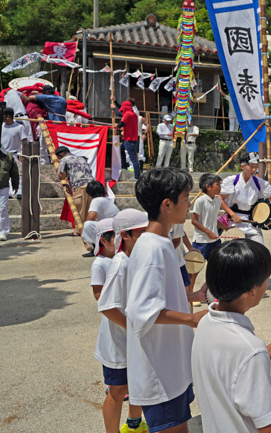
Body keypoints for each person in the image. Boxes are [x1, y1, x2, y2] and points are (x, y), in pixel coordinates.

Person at [191, 239, 271, 432]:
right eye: (266, 279)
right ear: (252, 290)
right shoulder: (250, 348)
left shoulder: (205, 324)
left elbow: (233, 370)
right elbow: (269, 429)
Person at [126, 168, 208, 433]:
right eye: (185, 198)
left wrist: (193, 297)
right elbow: (142, 312)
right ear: (167, 204)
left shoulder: (159, 243)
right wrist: (192, 318)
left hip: (171, 366)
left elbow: (159, 297)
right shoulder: (152, 249)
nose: (189, 204)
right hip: (160, 373)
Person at [90, 216, 147, 433]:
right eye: (142, 232)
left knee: (137, 384)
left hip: (133, 339)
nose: (147, 236)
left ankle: (134, 425)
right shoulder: (119, 264)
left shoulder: (136, 258)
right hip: (119, 341)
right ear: (126, 235)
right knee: (117, 390)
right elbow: (105, 305)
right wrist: (133, 327)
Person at [220, 152, 271, 244]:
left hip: (253, 223)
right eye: (251, 166)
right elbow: (220, 198)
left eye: (256, 167)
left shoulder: (259, 182)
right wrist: (232, 214)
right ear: (242, 166)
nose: (254, 169)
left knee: (260, 252)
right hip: (234, 223)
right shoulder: (232, 181)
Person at [190, 174, 222, 295]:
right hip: (201, 242)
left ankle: (211, 293)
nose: (220, 187)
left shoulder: (217, 200)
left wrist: (226, 227)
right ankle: (190, 295)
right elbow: (194, 220)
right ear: (208, 186)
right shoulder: (200, 201)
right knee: (194, 271)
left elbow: (213, 219)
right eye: (218, 185)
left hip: (215, 242)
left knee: (216, 268)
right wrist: (209, 232)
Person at [56, 145, 94, 225]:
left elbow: (62, 175)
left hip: (80, 186)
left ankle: (78, 231)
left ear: (61, 154)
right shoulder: (81, 158)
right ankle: (90, 229)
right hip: (92, 185)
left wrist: (59, 177)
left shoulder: (64, 160)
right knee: (90, 209)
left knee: (80, 210)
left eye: (58, 157)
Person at [118, 101, 141, 179]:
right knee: (121, 149)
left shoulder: (127, 114)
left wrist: (116, 126)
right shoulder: (134, 114)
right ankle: (123, 166)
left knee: (133, 158)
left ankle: (137, 176)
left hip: (129, 140)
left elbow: (121, 124)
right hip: (133, 139)